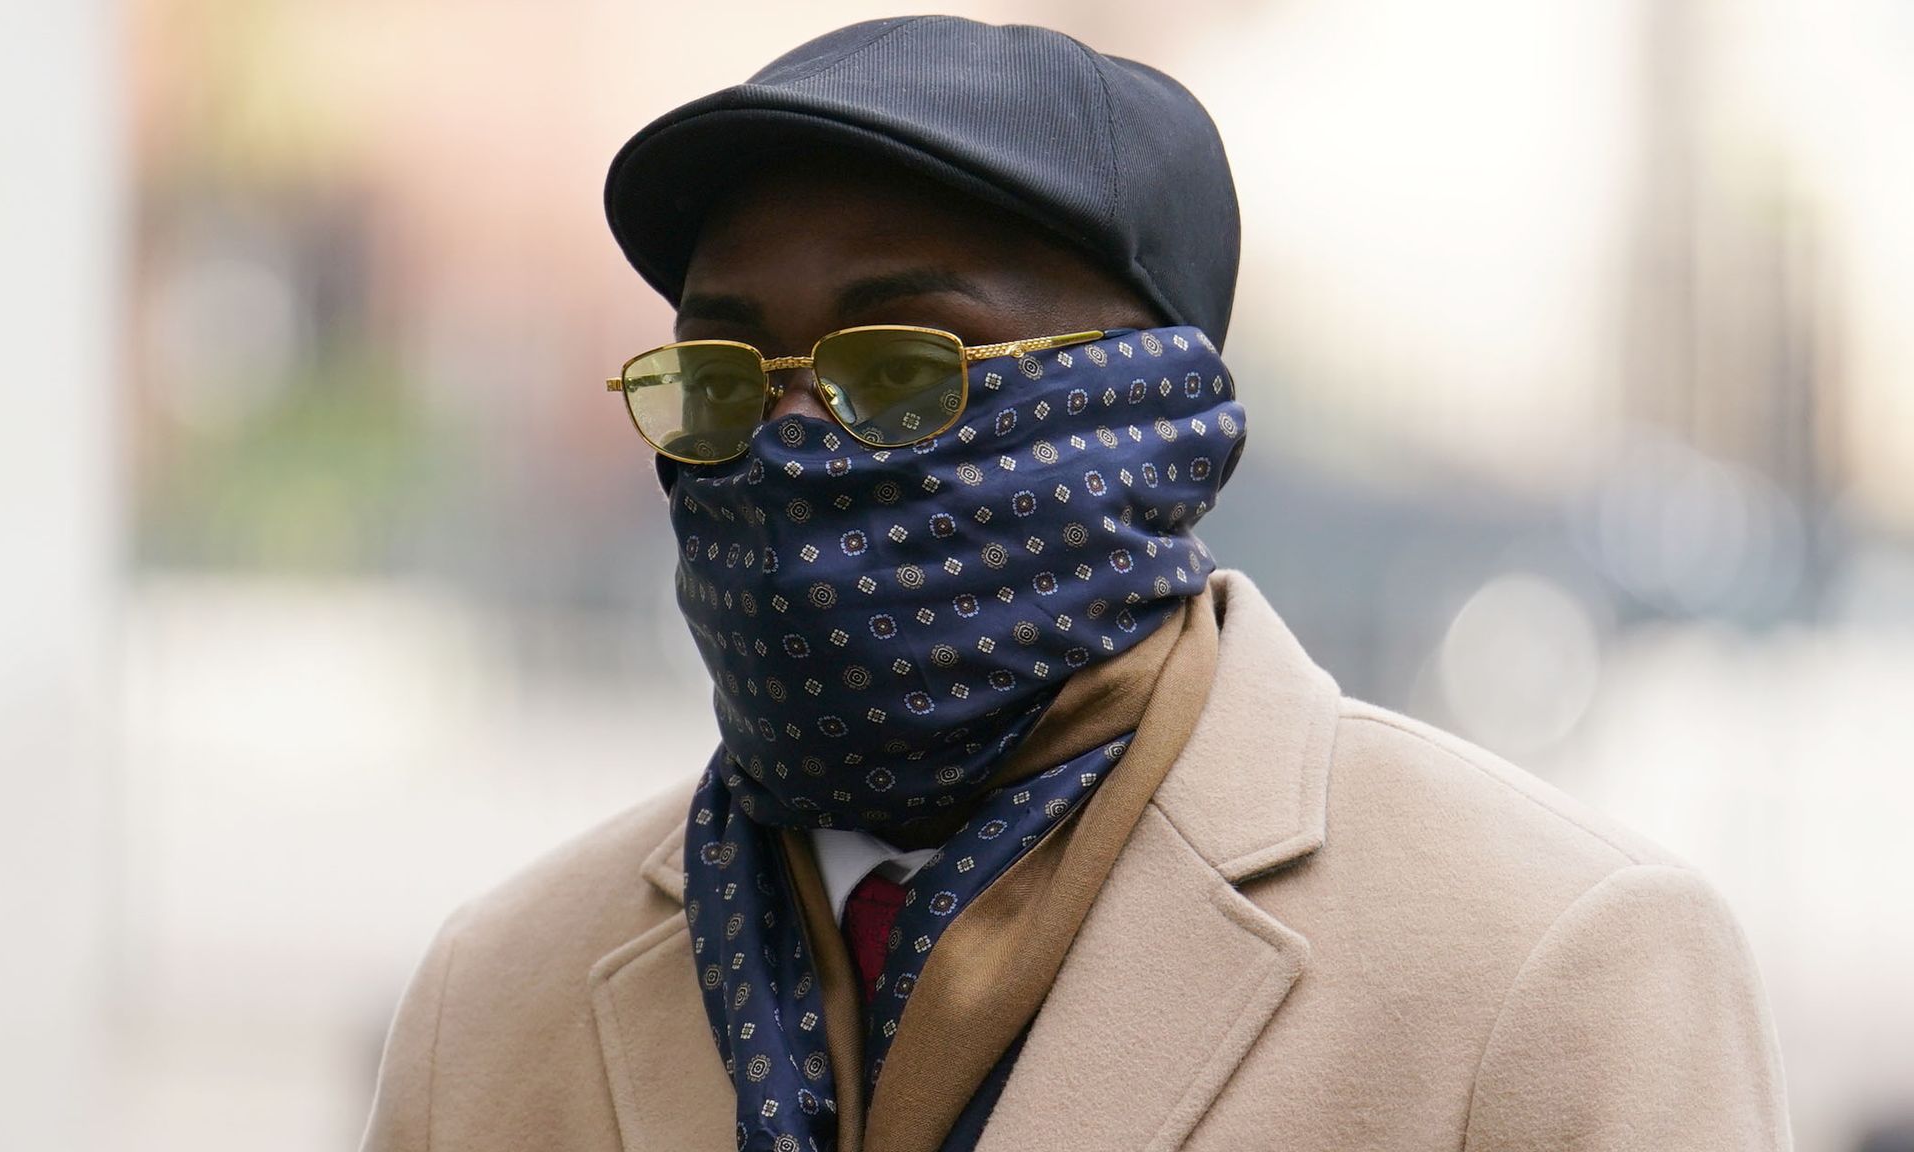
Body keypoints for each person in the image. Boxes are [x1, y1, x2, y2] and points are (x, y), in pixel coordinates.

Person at [360, 16, 1791, 1152]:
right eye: (723, 382)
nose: (792, 445)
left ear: (1157, 411)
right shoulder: (494, 1002)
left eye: (904, 372)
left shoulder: (1552, 969)